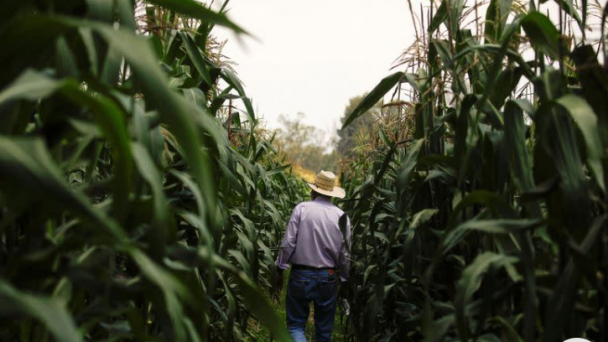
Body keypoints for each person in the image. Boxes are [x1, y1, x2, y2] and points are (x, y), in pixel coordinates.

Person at [274, 170, 351, 342]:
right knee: (324, 331)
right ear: (332, 194)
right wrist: (344, 281)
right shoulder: (342, 217)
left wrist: (280, 268)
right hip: (329, 277)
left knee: (295, 326)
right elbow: (345, 255)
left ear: (313, 190)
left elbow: (288, 243)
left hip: (301, 275)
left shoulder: (302, 209)